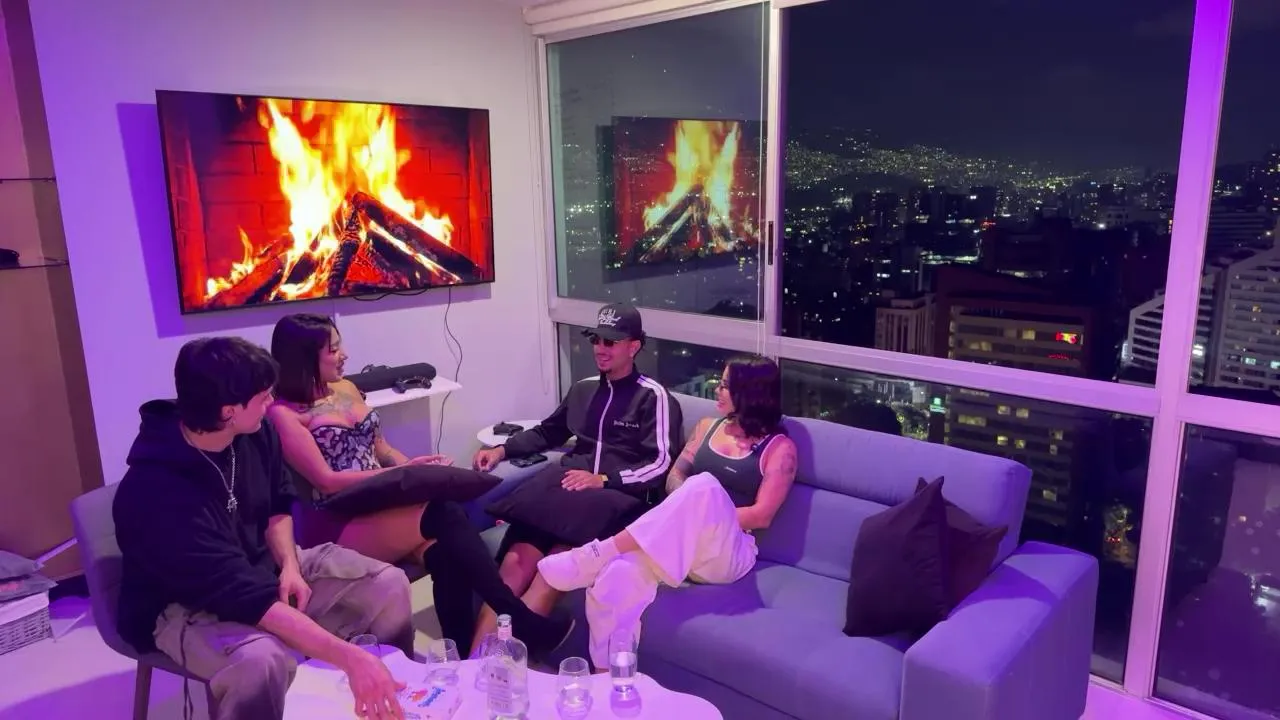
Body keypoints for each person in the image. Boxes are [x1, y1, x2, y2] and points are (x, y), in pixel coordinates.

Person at [114, 337, 408, 720]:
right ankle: (362, 674)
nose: (272, 402)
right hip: (183, 603)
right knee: (262, 661)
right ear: (228, 411)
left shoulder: (256, 431)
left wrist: (289, 565)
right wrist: (351, 658)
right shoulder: (157, 492)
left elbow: (277, 505)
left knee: (388, 585)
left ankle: (388, 700)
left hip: (261, 565)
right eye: (264, 396)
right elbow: (240, 594)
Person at [266, 313, 571, 659]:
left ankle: (461, 661)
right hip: (338, 520)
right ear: (305, 358)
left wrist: (413, 468)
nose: (344, 355)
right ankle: (517, 616)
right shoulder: (283, 414)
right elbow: (327, 481)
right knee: (443, 513)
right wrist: (401, 475)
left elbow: (382, 450)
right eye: (333, 350)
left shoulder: (346, 388)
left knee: (447, 554)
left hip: (380, 504)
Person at [536, 355, 797, 670]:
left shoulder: (779, 449)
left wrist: (703, 513)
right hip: (681, 542)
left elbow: (761, 515)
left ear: (750, 393)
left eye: (726, 385)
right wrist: (687, 511)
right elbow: (674, 477)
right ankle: (609, 676)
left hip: (729, 553)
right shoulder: (707, 427)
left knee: (703, 486)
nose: (717, 389)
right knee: (616, 577)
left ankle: (598, 552)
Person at [472, 302, 681, 655]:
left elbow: (659, 463)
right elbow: (548, 432)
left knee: (552, 570)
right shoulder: (584, 389)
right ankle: (472, 665)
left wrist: (605, 479)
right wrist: (502, 450)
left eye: (610, 342)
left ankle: (503, 664)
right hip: (565, 492)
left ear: (634, 346)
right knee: (514, 565)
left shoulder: (654, 397)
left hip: (615, 500)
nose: (600, 348)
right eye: (596, 340)